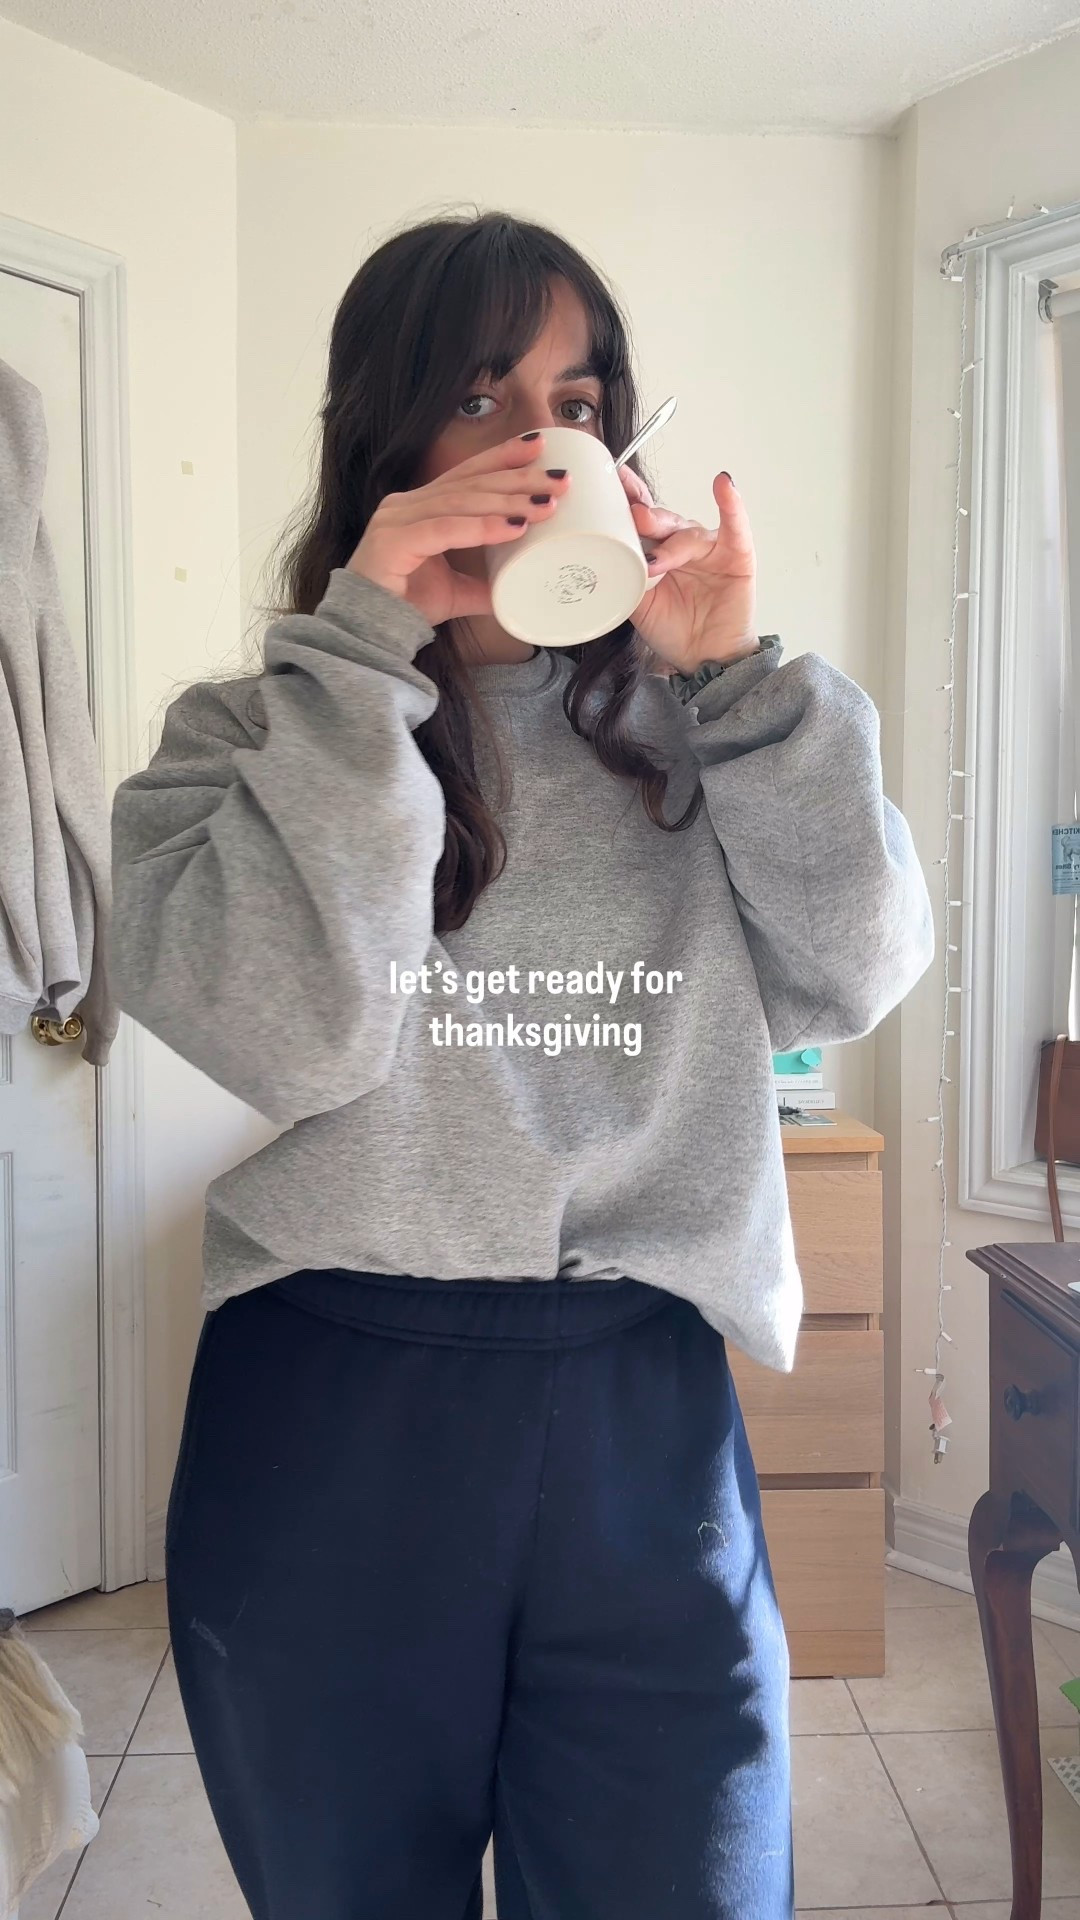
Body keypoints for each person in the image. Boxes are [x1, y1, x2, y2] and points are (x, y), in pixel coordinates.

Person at [109, 209, 934, 1920]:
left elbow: (855, 977)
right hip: (333, 1407)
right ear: (383, 437)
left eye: (578, 399)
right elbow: (299, 1038)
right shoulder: (245, 740)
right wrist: (360, 662)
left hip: (643, 1405)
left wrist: (737, 676)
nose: (535, 444)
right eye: (480, 396)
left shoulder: (716, 717)